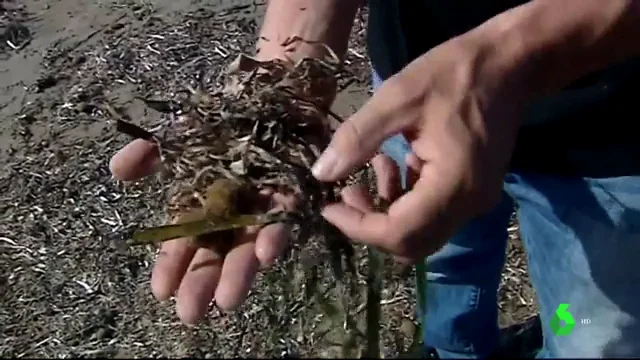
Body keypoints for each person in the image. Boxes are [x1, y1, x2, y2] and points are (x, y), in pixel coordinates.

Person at [109, 0, 640, 358]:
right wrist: (289, 68)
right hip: (415, 92)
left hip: (613, 136)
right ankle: (455, 351)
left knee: (590, 327)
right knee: (443, 263)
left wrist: (512, 57)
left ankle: (560, 334)